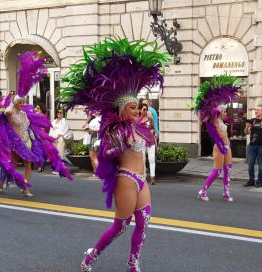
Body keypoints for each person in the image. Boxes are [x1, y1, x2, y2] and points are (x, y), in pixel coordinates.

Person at [59, 38, 170, 272]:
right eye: (132, 107)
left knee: (144, 222)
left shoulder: (139, 126)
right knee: (121, 226)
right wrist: (118, 146)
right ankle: (90, 257)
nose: (137, 110)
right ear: (121, 109)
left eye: (137, 107)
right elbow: (105, 152)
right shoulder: (114, 129)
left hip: (141, 179)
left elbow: (150, 141)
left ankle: (132, 263)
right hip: (126, 179)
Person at [0, 52, 72, 197]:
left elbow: (30, 124)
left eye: (23, 102)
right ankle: (1, 182)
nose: (22, 104)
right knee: (11, 166)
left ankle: (25, 188)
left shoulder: (24, 113)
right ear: (15, 103)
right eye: (20, 102)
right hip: (15, 142)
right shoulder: (10, 112)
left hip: (28, 141)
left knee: (28, 164)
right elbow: (5, 111)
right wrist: (12, 102)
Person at [191, 75, 240, 202]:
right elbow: (213, 113)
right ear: (219, 111)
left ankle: (226, 192)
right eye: (224, 111)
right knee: (217, 171)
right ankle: (203, 191)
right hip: (219, 147)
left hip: (227, 146)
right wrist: (217, 105)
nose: (226, 113)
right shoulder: (214, 119)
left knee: (227, 169)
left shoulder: (221, 120)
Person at [244, 104, 262, 188]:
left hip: (261, 146)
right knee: (250, 165)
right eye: (255, 109)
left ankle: (259, 181)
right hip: (252, 146)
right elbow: (246, 132)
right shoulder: (252, 121)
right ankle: (251, 180)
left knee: (261, 165)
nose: (256, 111)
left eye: (258, 110)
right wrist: (246, 127)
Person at [49, 108, 71, 174]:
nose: (59, 113)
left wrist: (56, 138)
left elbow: (62, 131)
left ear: (63, 113)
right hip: (53, 140)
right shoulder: (53, 121)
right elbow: (51, 131)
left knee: (60, 154)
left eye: (60, 112)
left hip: (60, 140)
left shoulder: (64, 121)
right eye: (58, 112)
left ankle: (59, 170)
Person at [139, 103, 157, 185]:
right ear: (140, 110)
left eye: (146, 109)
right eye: (144, 109)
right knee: (142, 159)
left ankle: (153, 177)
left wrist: (152, 131)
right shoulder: (137, 120)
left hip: (150, 141)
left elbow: (153, 128)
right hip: (142, 142)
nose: (145, 111)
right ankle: (144, 177)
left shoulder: (150, 118)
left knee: (152, 159)